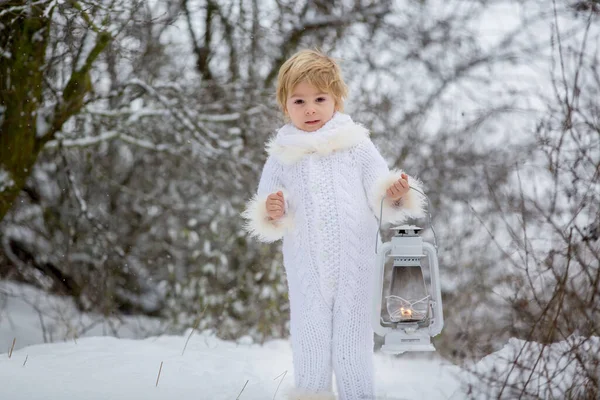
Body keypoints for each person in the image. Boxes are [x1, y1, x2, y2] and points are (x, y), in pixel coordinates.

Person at [242, 49, 426, 400]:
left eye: (319, 99)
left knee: (352, 340)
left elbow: (381, 192)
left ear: (336, 101)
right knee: (309, 337)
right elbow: (265, 207)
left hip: (355, 264)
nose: (310, 108)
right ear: (285, 106)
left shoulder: (355, 144)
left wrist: (397, 192)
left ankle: (358, 395)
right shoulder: (282, 153)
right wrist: (272, 207)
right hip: (306, 266)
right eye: (299, 101)